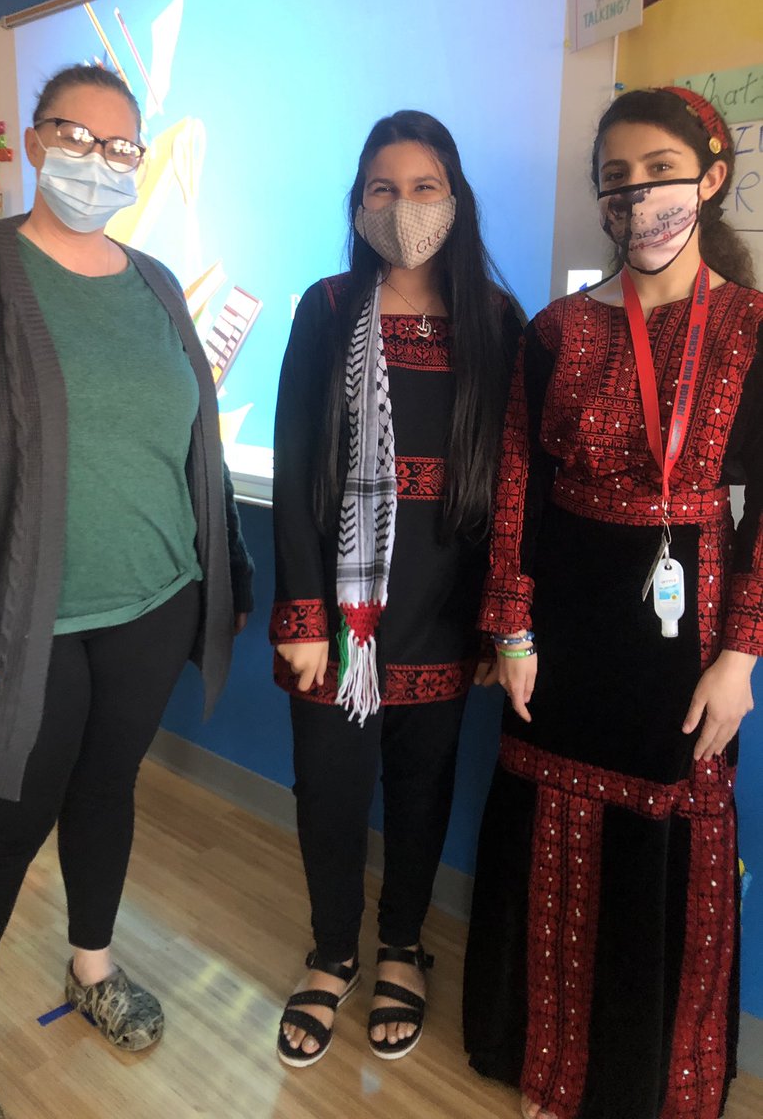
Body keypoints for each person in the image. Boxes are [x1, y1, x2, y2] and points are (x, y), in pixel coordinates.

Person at [0, 64, 254, 1119]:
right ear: (38, 144)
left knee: (106, 796)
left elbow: (197, 448)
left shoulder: (151, 284)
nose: (98, 161)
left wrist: (224, 570)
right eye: (75, 137)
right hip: (19, 632)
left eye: (120, 147)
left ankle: (91, 969)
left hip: (152, 606)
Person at [462, 86, 762, 1119]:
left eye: (661, 175)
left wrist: (742, 656)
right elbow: (518, 486)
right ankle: (546, 1061)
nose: (640, 199)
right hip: (564, 632)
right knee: (546, 821)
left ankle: (635, 1086)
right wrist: (510, 625)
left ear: (712, 178)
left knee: (663, 848)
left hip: (688, 638)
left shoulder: (754, 327)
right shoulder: (552, 330)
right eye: (618, 181)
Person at [271, 110, 521, 1067]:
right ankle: (332, 951)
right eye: (383, 188)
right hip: (336, 620)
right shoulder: (327, 308)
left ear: (453, 200)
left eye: (423, 188)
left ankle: (404, 950)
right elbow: (297, 468)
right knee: (329, 796)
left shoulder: (496, 322)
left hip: (445, 613)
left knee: (421, 795)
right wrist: (302, 618)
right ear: (359, 202)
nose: (404, 206)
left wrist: (504, 625)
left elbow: (511, 486)